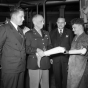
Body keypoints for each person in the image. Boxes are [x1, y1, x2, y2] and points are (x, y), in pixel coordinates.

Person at [0, 7, 29, 88]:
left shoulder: (20, 30)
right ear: (14, 16)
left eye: (24, 16)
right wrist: (2, 62)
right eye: (21, 16)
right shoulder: (4, 28)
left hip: (21, 67)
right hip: (10, 68)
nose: (23, 19)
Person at [25, 14, 51, 88]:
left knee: (45, 85)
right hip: (34, 63)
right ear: (34, 22)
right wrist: (36, 50)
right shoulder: (29, 34)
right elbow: (26, 48)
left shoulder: (46, 33)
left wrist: (47, 50)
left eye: (43, 21)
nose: (43, 23)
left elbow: (50, 45)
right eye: (41, 21)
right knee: (34, 85)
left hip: (45, 62)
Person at [50, 17, 73, 88]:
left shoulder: (69, 32)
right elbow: (50, 46)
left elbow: (71, 45)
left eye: (62, 22)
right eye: (59, 22)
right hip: (55, 58)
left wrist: (70, 58)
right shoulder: (51, 32)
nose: (60, 24)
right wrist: (50, 57)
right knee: (57, 77)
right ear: (56, 23)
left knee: (66, 77)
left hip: (66, 59)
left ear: (65, 23)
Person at [65, 18, 88, 88]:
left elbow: (83, 51)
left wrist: (67, 52)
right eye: (72, 28)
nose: (72, 29)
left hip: (81, 69)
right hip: (72, 68)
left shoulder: (86, 37)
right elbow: (73, 52)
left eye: (74, 27)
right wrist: (69, 64)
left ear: (80, 26)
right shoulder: (75, 37)